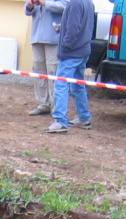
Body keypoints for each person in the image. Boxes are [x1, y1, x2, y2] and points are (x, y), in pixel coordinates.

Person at [45, 0, 94, 133]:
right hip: (83, 50)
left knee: (61, 84)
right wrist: (62, 28)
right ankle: (84, 118)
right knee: (78, 85)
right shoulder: (88, 2)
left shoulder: (75, 3)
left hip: (71, 52)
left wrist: (66, 45)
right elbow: (83, 26)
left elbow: (73, 29)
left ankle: (60, 121)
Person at [24, 0, 69, 116]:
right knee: (38, 71)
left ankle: (56, 106)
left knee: (53, 71)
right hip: (36, 36)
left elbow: (65, 6)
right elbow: (27, 11)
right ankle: (43, 103)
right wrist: (30, 6)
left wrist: (44, 3)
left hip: (53, 36)